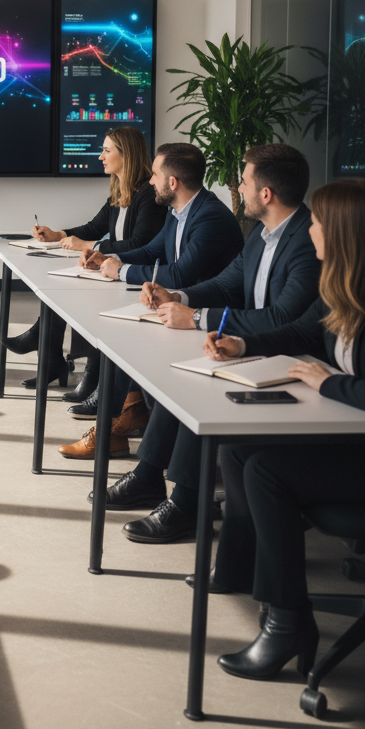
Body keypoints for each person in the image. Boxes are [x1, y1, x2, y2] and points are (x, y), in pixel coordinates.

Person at [107, 144, 321, 543]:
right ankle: (150, 476)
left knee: (199, 385)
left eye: (244, 181)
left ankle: (186, 504)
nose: (238, 187)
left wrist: (197, 317)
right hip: (257, 348)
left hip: (293, 358)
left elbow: (283, 318)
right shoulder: (262, 234)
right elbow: (226, 284)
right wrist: (177, 296)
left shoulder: (308, 240)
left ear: (266, 194)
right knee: (181, 376)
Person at [204, 178, 365, 681]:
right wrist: (242, 346)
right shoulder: (341, 288)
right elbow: (299, 332)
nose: (310, 230)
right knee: (237, 449)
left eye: (317, 223)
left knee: (267, 471)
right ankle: (242, 572)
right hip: (350, 434)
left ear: (342, 233)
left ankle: (288, 623)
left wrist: (329, 384)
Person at [59, 142, 245, 460]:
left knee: (129, 338)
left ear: (173, 182)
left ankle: (115, 429)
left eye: (155, 174)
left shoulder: (210, 216)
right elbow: (151, 251)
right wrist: (108, 257)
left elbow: (180, 272)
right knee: (121, 333)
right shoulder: (178, 210)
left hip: (212, 318)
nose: (150, 180)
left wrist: (120, 271)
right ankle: (119, 422)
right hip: (180, 305)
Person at [1, 127, 166, 399]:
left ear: (126, 155)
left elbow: (140, 244)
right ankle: (55, 357)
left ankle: (80, 367)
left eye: (106, 150)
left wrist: (91, 246)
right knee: (62, 287)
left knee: (80, 295)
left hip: (135, 274)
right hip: (113, 268)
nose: (100, 156)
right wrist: (59, 234)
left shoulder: (148, 194)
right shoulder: (119, 189)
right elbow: (94, 227)